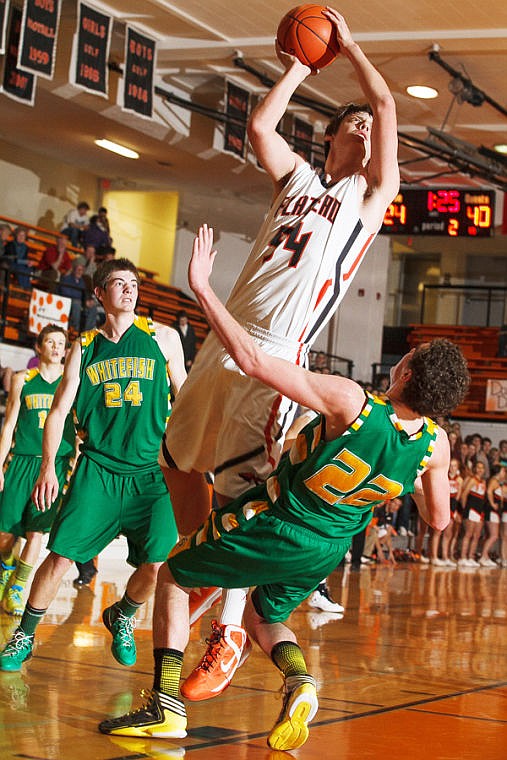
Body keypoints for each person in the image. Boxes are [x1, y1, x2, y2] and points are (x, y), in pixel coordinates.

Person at [98, 223, 469, 750]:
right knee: (262, 616)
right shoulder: (436, 447)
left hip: (280, 523)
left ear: (408, 373)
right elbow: (438, 521)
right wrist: (383, 479)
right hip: (329, 550)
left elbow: (252, 362)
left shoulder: (352, 402)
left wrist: (203, 288)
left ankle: (166, 708)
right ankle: (299, 682)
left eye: (410, 356)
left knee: (174, 580)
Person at [159, 7, 400, 689]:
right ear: (329, 139)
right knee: (178, 461)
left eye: (367, 129)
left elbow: (382, 102)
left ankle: (228, 632)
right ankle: (199, 570)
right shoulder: (297, 179)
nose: (363, 128)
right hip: (223, 338)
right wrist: (300, 62)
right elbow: (262, 127)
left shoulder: (368, 196)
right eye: (349, 124)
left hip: (275, 356)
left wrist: (346, 46)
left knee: (240, 490)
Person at [0, 257, 187, 672]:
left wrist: (191, 462)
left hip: (150, 474)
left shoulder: (163, 337)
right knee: (61, 556)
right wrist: (49, 465)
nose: (129, 289)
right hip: (98, 469)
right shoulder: (84, 347)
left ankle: (122, 614)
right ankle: (24, 635)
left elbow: (187, 402)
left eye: (134, 283)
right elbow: (60, 410)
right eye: (118, 283)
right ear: (100, 294)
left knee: (158, 563)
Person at [0, 325, 74, 615]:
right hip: (22, 461)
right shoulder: (23, 380)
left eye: (61, 343)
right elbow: (9, 427)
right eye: (51, 342)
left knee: (36, 532)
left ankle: (17, 588)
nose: (57, 347)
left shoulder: (72, 383)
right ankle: (6, 566)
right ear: (39, 347)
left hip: (54, 465)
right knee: (6, 534)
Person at [458, 461, 487, 568]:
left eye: (482, 468)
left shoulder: (483, 481)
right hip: (471, 510)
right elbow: (464, 495)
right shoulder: (472, 480)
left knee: (476, 536)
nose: (480, 470)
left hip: (479, 511)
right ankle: (463, 557)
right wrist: (466, 508)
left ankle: (471, 557)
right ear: (475, 469)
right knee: (468, 534)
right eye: (478, 467)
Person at [59, 260, 98, 332]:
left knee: (93, 307)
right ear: (74, 270)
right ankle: (74, 330)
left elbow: (84, 293)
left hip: (80, 302)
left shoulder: (81, 281)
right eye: (78, 269)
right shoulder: (67, 278)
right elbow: (64, 292)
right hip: (67, 301)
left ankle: (87, 332)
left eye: (82, 270)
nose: (80, 272)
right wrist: (83, 301)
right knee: (77, 303)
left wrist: (88, 301)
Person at [479, 464, 505, 567]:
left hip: (494, 512)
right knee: (494, 535)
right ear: (498, 472)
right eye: (503, 471)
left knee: (492, 535)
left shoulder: (498, 482)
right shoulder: (493, 481)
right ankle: (483, 556)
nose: (504, 473)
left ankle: (485, 556)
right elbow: (489, 491)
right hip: (491, 511)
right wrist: (493, 503)